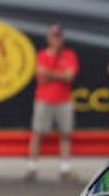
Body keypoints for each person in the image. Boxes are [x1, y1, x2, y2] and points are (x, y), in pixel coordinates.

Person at [26, 23, 79, 181]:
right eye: (53, 37)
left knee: (66, 134)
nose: (56, 40)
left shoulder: (69, 55)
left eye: (58, 37)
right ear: (49, 38)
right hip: (44, 99)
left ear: (61, 39)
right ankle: (32, 168)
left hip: (63, 100)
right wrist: (59, 75)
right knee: (37, 133)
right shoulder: (42, 54)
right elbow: (40, 78)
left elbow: (69, 76)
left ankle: (65, 169)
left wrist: (50, 74)